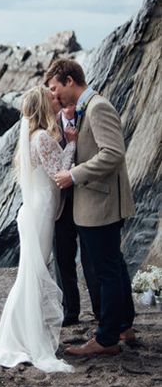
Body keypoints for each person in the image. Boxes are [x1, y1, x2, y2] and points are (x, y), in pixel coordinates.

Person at [0, 86, 75, 373]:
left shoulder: (32, 136)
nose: (55, 99)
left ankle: (23, 334)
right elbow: (60, 172)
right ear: (43, 105)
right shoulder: (42, 137)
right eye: (50, 97)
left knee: (31, 273)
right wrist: (73, 143)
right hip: (40, 212)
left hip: (35, 210)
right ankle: (29, 338)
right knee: (35, 273)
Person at [45, 58, 136, 357]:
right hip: (96, 202)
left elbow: (113, 153)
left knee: (105, 270)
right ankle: (123, 325)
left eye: (56, 88)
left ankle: (106, 339)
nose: (54, 95)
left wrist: (73, 174)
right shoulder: (87, 108)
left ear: (70, 81)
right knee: (114, 266)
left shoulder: (97, 107)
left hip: (100, 203)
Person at [53, 103, 101, 326]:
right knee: (63, 258)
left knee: (90, 259)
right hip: (60, 205)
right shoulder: (50, 124)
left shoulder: (89, 118)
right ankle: (70, 311)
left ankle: (101, 312)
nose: (69, 105)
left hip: (88, 199)